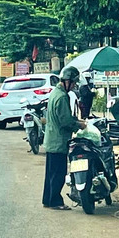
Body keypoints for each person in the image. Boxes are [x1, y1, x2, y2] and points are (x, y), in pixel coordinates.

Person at [43, 66, 87, 210]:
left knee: (51, 173)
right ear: (67, 81)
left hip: (51, 139)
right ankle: (55, 201)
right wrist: (79, 125)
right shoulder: (62, 97)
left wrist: (75, 120)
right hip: (59, 140)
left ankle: (48, 199)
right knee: (58, 173)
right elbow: (65, 122)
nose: (74, 86)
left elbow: (64, 116)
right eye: (73, 83)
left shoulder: (55, 93)